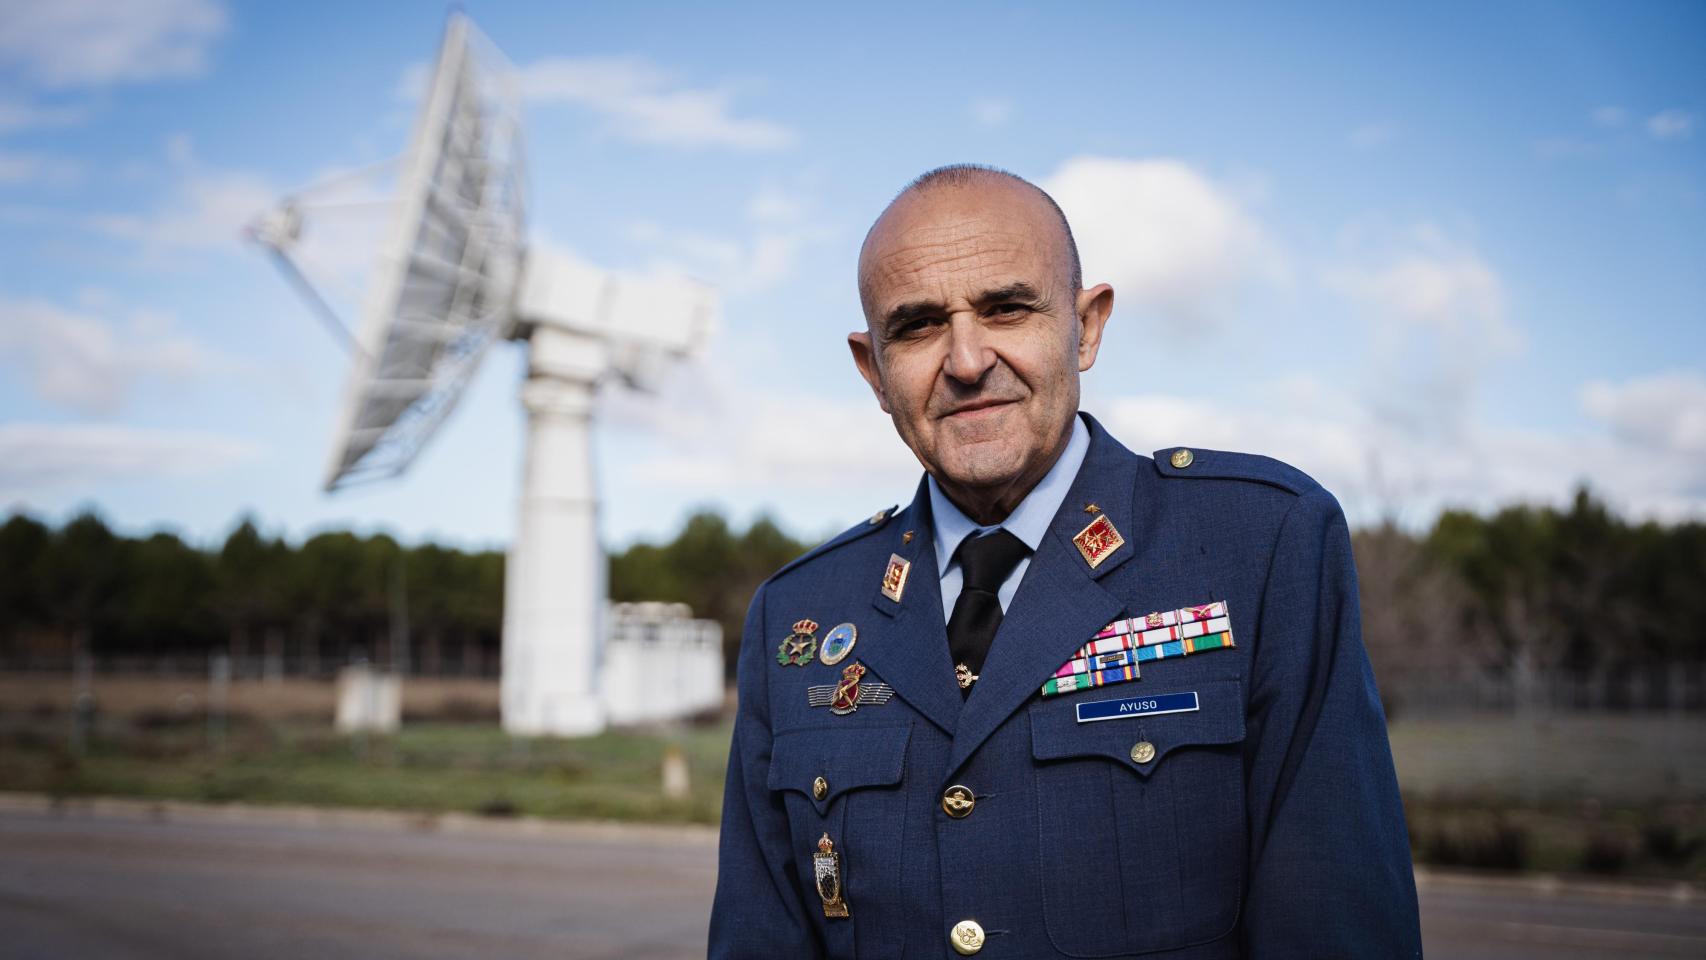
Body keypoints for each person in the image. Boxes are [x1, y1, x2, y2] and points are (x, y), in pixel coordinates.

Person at [709, 165, 1422, 959]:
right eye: (918, 326)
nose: (967, 360)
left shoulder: (1259, 546)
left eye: (1007, 309)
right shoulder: (801, 615)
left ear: (1086, 328)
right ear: (873, 370)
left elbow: (1335, 924)